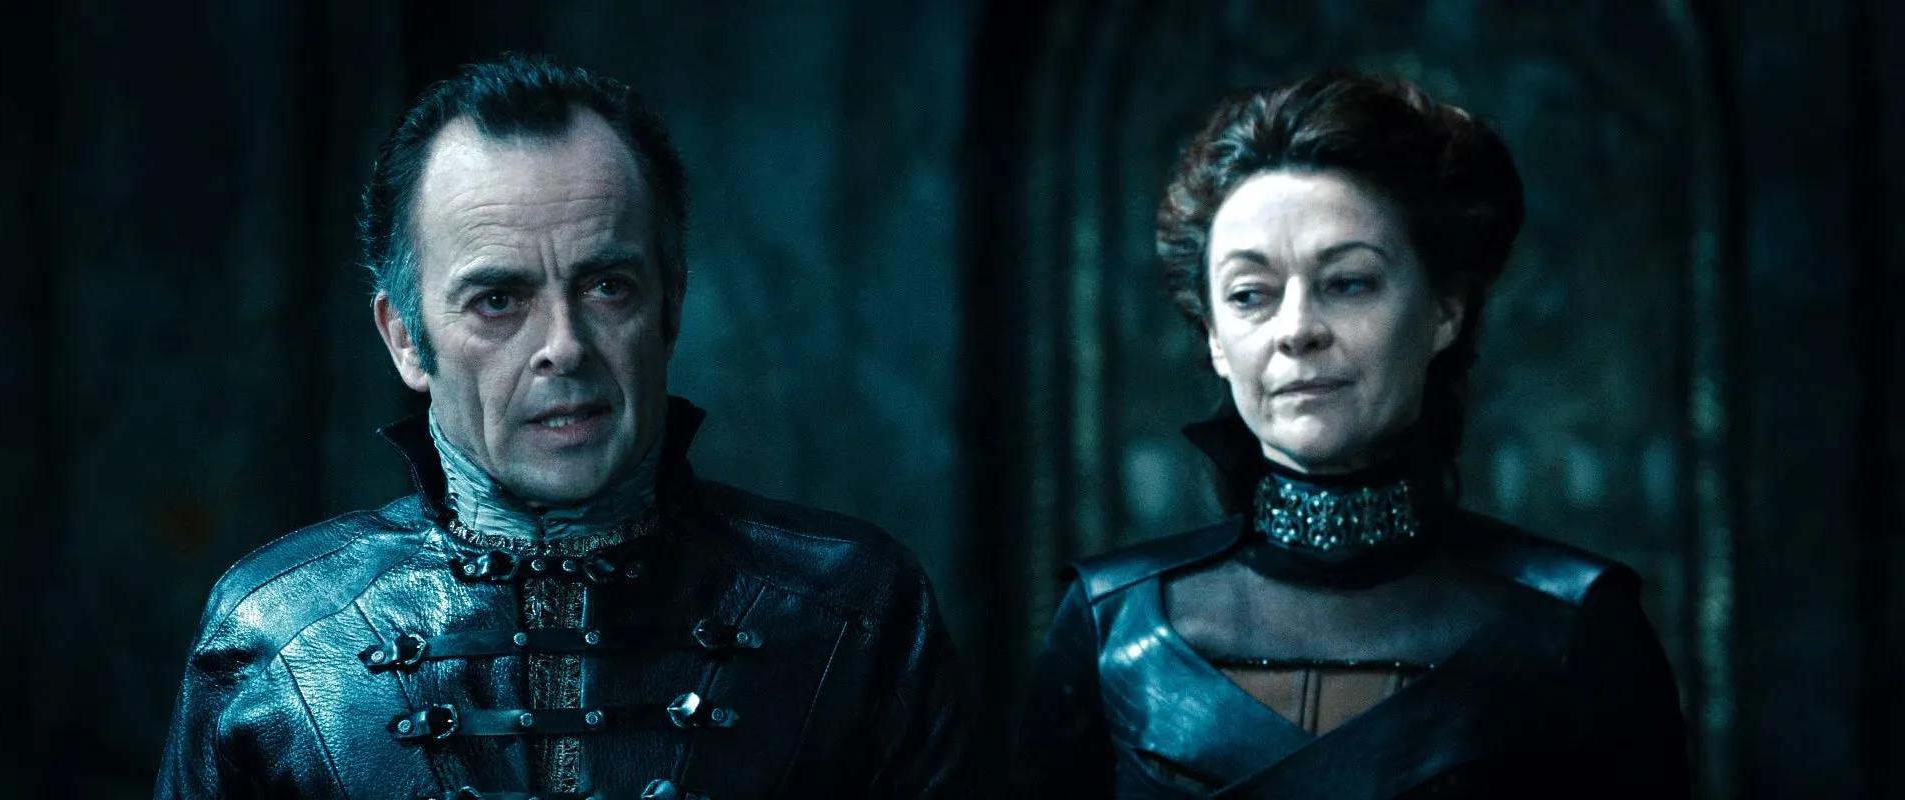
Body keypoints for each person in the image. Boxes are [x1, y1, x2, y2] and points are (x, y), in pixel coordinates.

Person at [155, 53, 970, 799]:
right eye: (497, 301)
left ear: (671, 307)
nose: (565, 346)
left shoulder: (854, 613)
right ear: (405, 338)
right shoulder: (280, 637)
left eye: (608, 286)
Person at [1015, 71, 1690, 798]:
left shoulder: (1576, 623)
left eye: (1349, 282)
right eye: (1250, 295)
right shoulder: (1113, 623)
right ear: (1213, 337)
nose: (1297, 329)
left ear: (1444, 311)